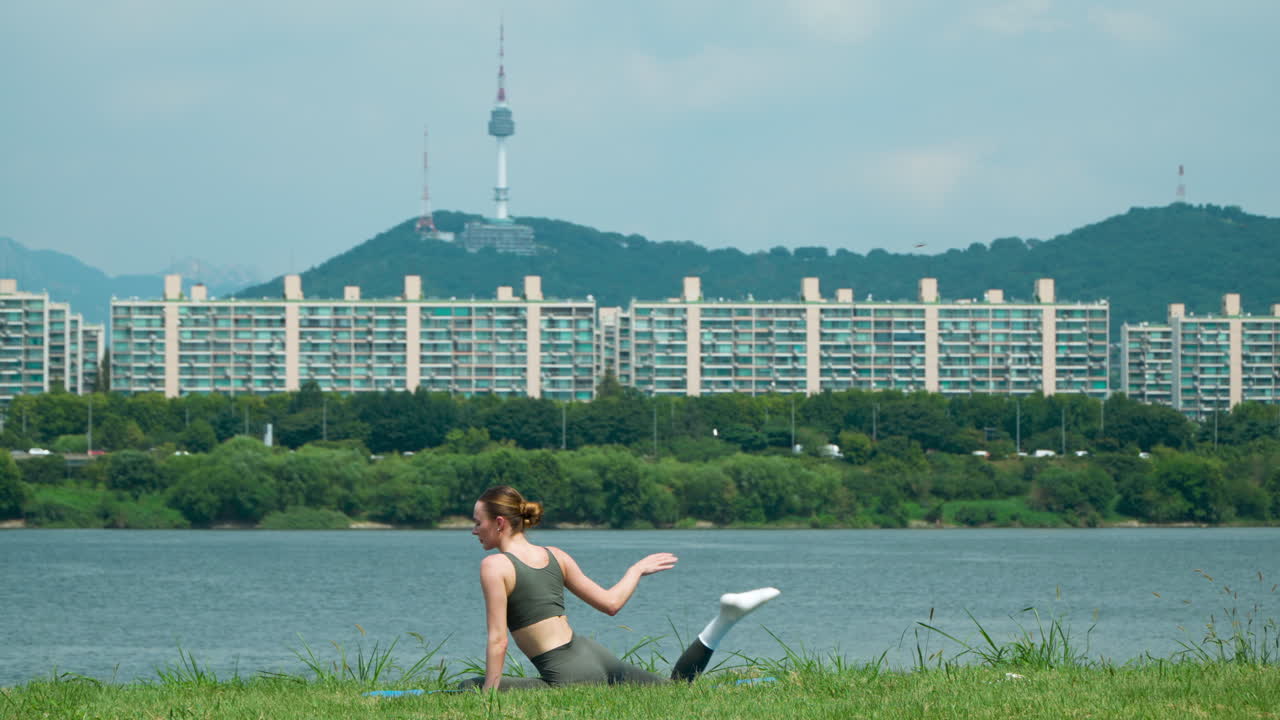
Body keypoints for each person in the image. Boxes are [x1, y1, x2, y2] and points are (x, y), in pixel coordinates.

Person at [457, 485, 779, 690]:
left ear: (500, 523)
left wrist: (490, 698)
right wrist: (635, 570)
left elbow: (498, 640)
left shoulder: (495, 566)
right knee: (676, 688)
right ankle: (724, 620)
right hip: (595, 655)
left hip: (567, 673)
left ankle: (726, 618)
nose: (474, 530)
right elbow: (611, 604)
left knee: (468, 686)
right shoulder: (555, 555)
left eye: (478, 522)